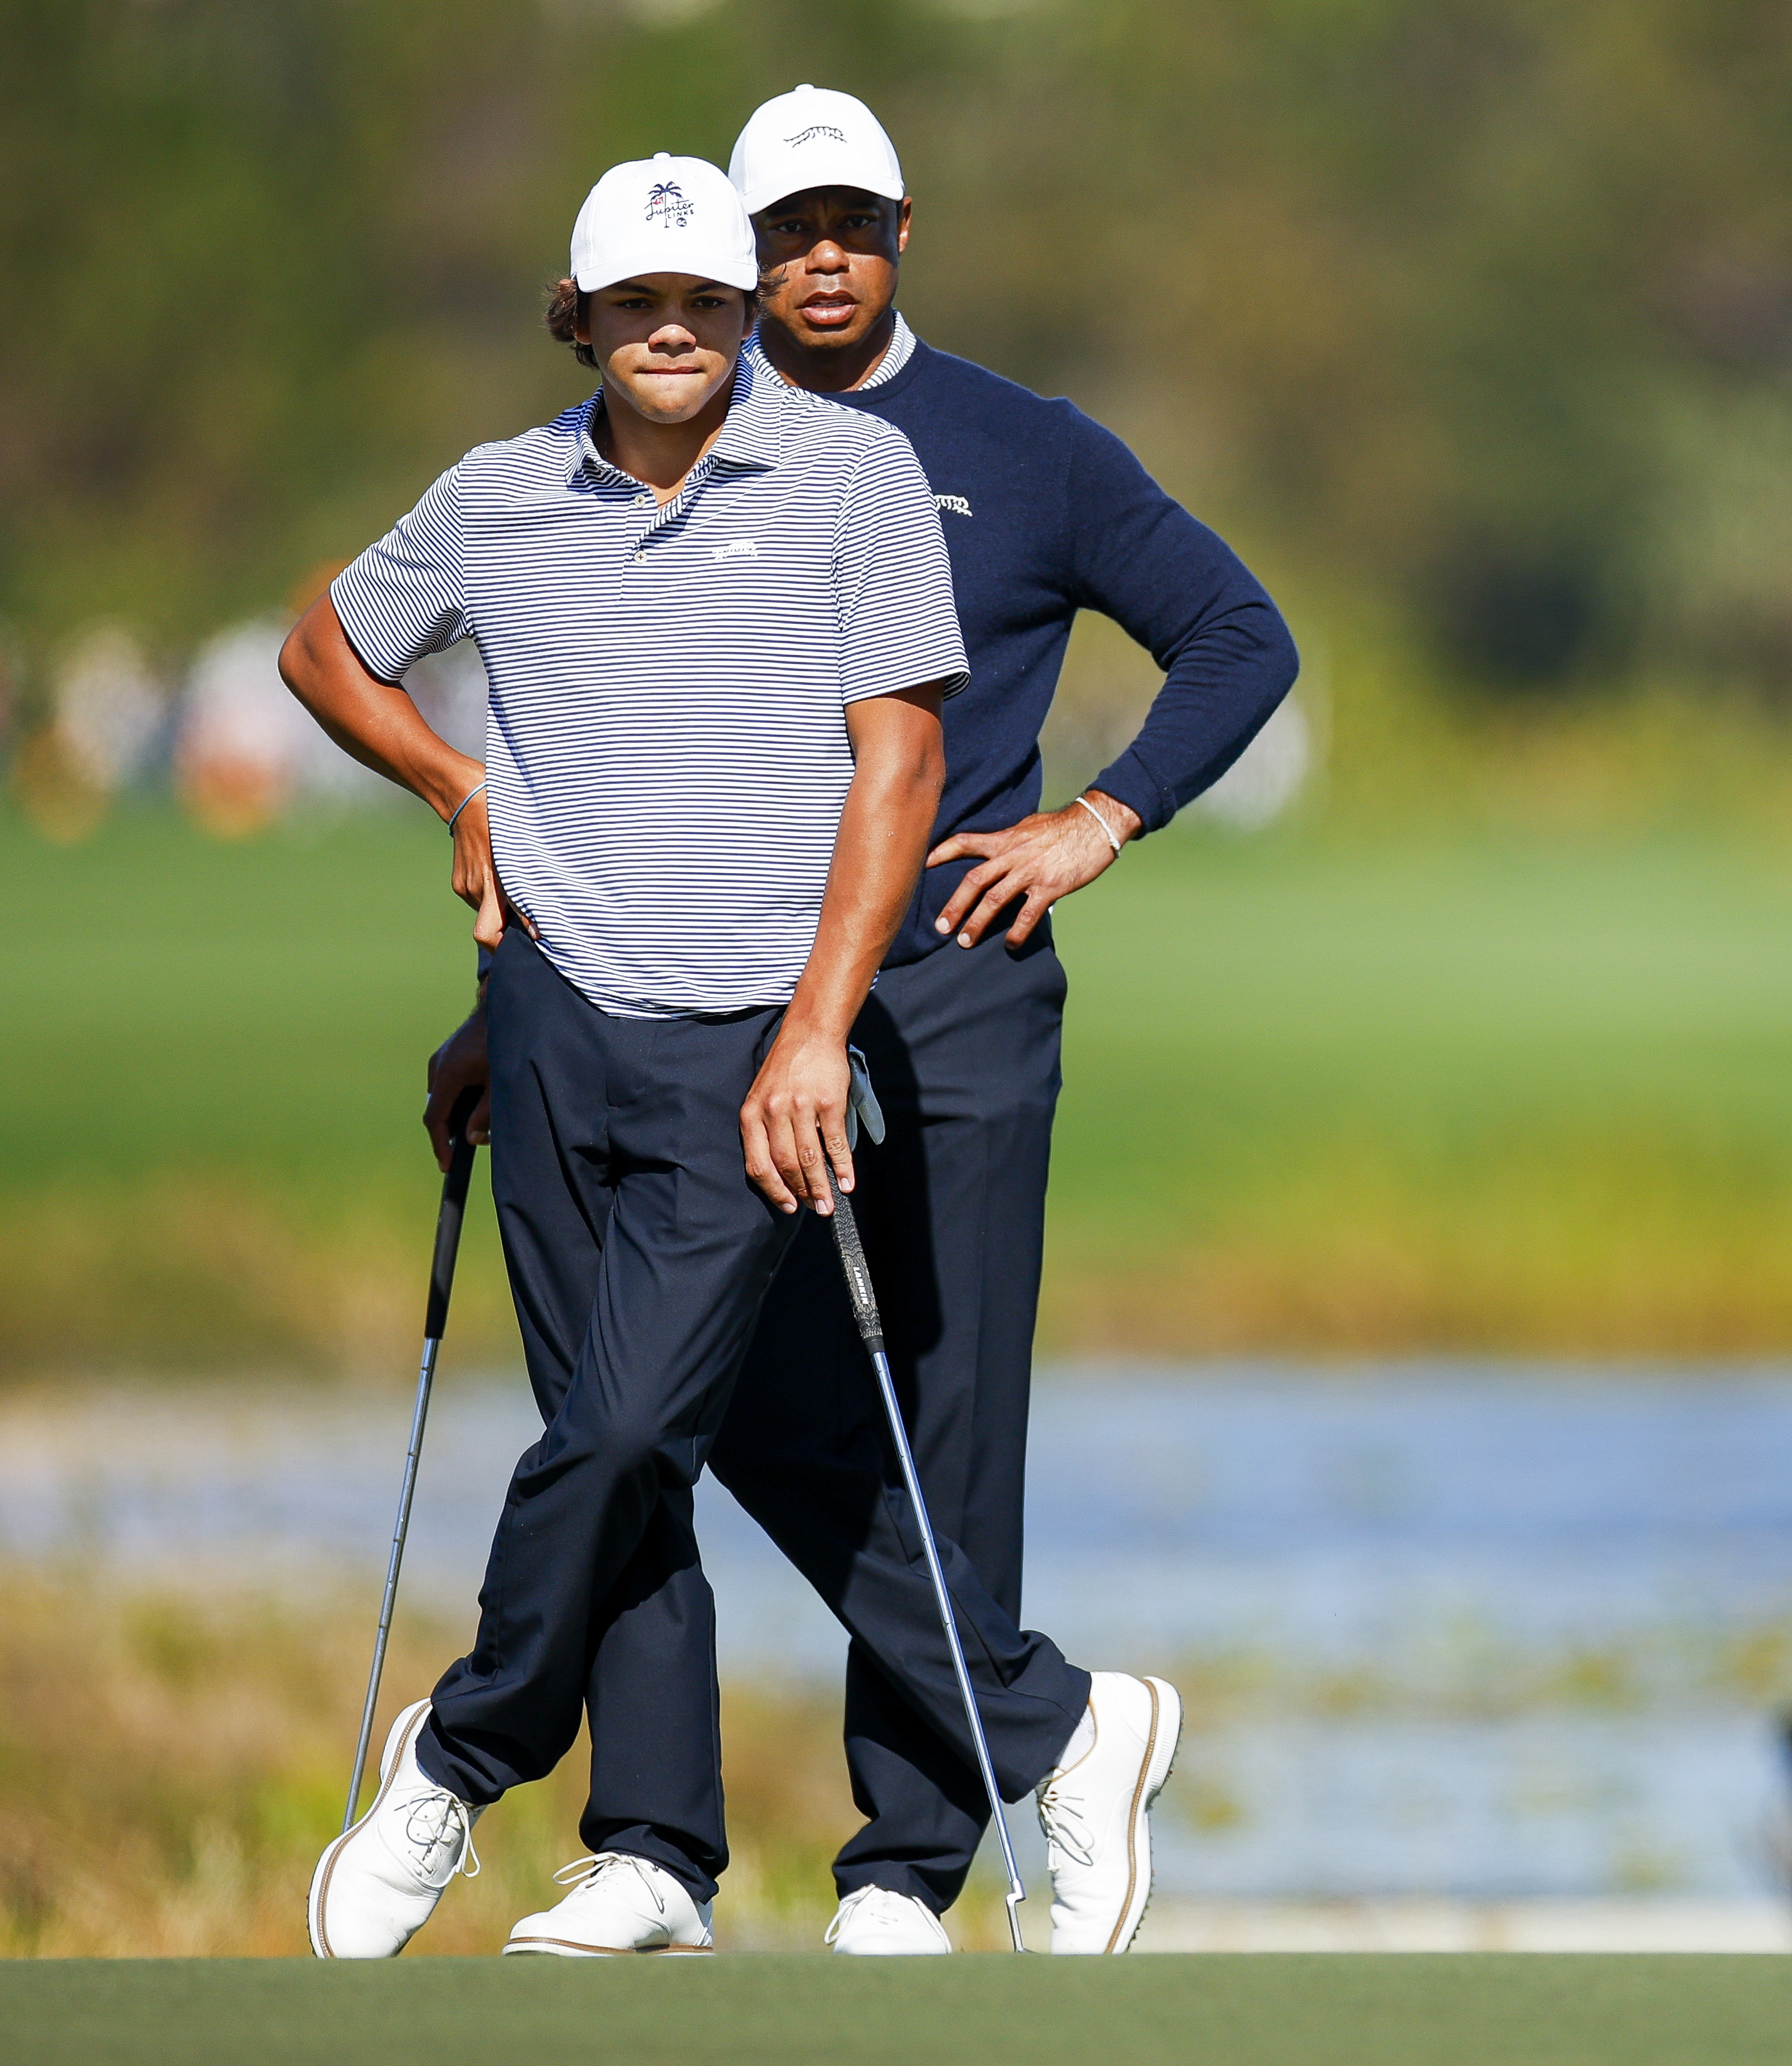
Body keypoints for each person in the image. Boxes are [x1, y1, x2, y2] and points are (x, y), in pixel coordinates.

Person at [423, 85, 1299, 1955]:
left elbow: (1240, 635)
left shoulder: (1026, 449)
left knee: (947, 1419)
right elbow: (591, 776)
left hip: (955, 997)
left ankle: (910, 1866)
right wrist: (522, 1008)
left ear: (905, 230)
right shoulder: (662, 450)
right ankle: (842, 1788)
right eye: (784, 232)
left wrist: (1097, 820)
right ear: (726, 260)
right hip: (713, 1006)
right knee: (695, 1390)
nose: (821, 259)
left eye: (854, 225)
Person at [285, 152, 1121, 1960]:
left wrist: (820, 1030)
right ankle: (667, 1846)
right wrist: (456, 789)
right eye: (642, 310)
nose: (679, 338)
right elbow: (324, 645)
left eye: (708, 310)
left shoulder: (851, 476)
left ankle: (461, 1751)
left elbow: (901, 768)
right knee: (632, 1437)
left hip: (746, 1035)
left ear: (744, 320)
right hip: (545, 1023)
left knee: (636, 1418)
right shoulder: (499, 497)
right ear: (576, 321)